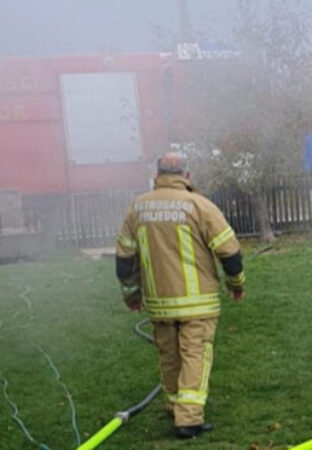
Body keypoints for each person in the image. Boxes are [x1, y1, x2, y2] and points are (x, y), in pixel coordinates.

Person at [115, 152, 245, 439]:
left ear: (156, 176)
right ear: (186, 176)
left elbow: (124, 260)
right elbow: (230, 252)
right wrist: (236, 283)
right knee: (195, 355)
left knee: (169, 356)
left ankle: (175, 406)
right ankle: (188, 419)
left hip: (159, 303)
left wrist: (131, 295)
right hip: (198, 303)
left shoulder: (138, 208)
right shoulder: (200, 205)